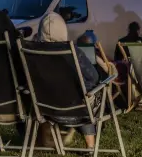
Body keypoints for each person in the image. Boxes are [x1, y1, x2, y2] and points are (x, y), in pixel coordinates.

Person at [34, 12, 105, 149]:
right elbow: (93, 77)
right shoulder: (72, 52)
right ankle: (90, 146)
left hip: (45, 108)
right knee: (85, 94)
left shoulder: (32, 53)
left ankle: (41, 140)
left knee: (81, 94)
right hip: (76, 109)